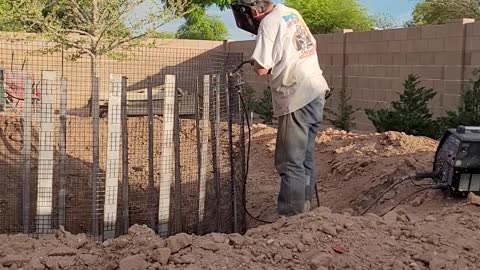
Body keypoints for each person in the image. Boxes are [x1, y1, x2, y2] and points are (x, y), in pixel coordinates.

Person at [234, 0, 330, 216]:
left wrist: (256, 62)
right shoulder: (290, 13)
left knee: (290, 161)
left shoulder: (269, 23)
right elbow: (308, 45)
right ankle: (304, 207)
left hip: (296, 96)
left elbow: (261, 68)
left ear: (253, 9)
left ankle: (291, 217)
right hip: (315, 91)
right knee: (305, 156)